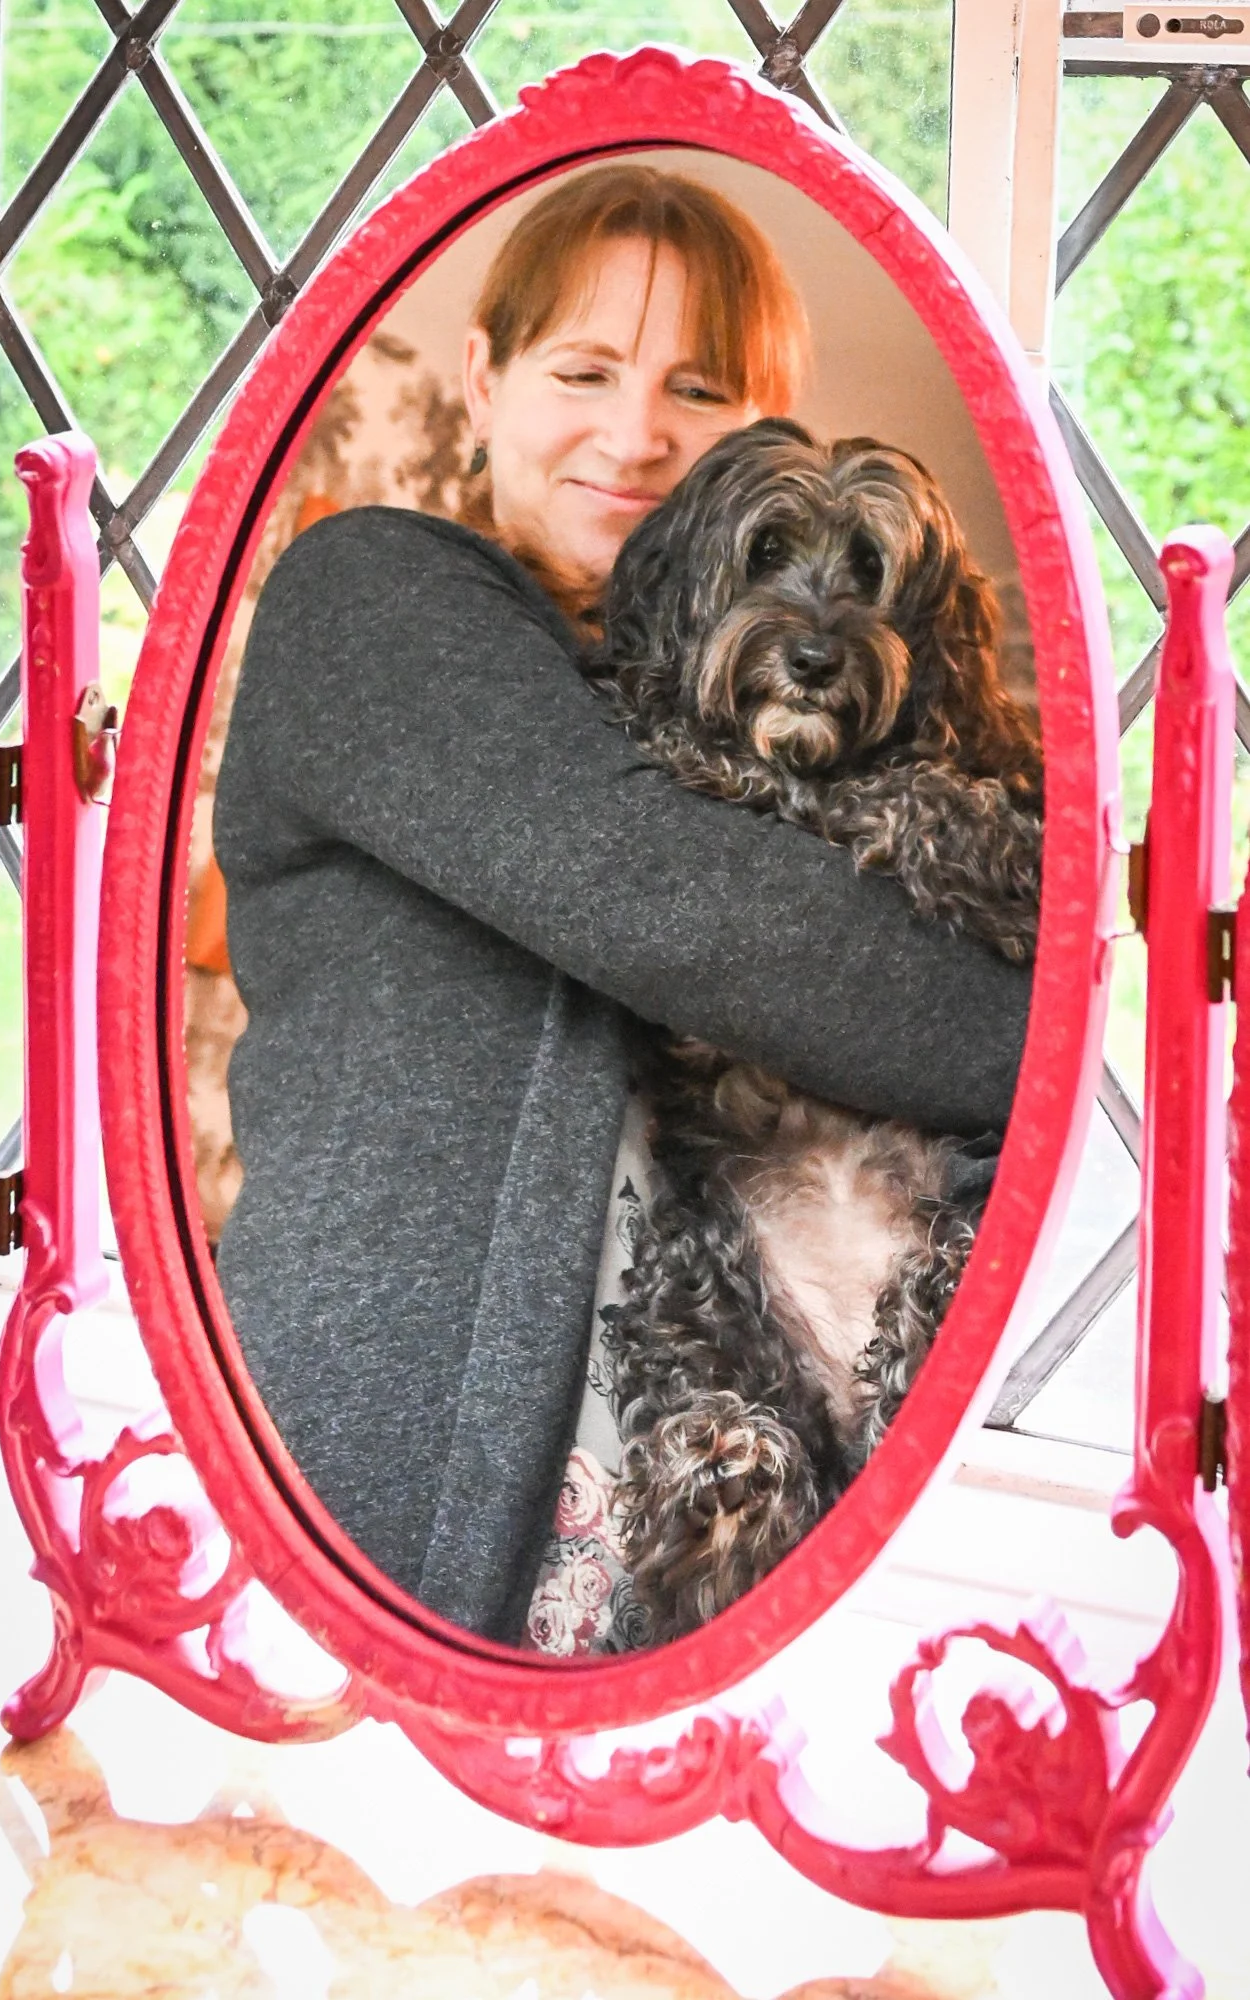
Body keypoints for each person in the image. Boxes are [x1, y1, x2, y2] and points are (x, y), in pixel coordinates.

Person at [213, 165, 1033, 1647]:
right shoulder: (373, 603)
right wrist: (1018, 1015)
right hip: (411, 1476)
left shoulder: (768, 716)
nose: (636, 432)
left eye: (696, 388)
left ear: (759, 429)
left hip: (765, 1463)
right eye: (582, 371)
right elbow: (707, 920)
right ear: (485, 376)